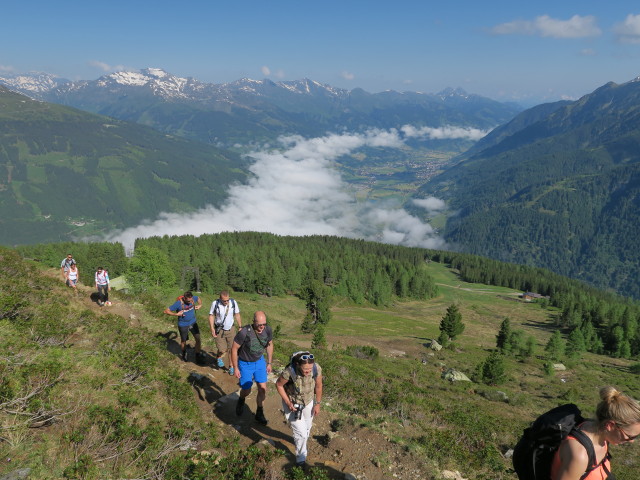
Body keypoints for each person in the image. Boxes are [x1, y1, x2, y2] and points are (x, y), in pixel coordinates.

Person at [551, 386, 640, 480]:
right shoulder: (580, 454)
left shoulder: (599, 432)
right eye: (630, 436)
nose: (631, 441)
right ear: (610, 425)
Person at [276, 351, 323, 467]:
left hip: (309, 402)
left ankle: (300, 442)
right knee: (301, 434)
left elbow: (318, 385)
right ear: (297, 365)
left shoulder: (316, 368)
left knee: (307, 427)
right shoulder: (290, 372)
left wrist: (317, 403)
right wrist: (288, 402)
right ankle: (301, 459)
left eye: (310, 369)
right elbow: (279, 385)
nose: (308, 372)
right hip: (293, 404)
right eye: (305, 369)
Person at [230, 311, 273, 425]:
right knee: (247, 390)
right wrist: (236, 367)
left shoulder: (267, 330)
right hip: (245, 363)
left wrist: (269, 362)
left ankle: (259, 413)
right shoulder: (244, 332)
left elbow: (270, 344)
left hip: (259, 362)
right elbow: (234, 349)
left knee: (262, 388)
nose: (262, 327)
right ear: (254, 322)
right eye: (259, 324)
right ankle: (241, 399)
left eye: (264, 324)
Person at [164, 291, 205, 364]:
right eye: (188, 301)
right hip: (183, 325)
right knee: (183, 341)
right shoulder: (178, 303)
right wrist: (176, 314)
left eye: (191, 300)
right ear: (184, 298)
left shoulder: (193, 298)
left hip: (193, 322)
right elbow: (166, 311)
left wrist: (200, 305)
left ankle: (197, 355)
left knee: (198, 339)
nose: (190, 302)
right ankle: (184, 354)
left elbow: (198, 298)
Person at [208, 290, 242, 375]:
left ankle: (231, 366)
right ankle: (219, 356)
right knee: (222, 349)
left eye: (227, 300)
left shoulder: (233, 303)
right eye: (224, 300)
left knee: (232, 349)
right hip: (220, 330)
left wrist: (240, 326)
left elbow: (237, 314)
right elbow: (211, 316)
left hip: (231, 329)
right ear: (220, 298)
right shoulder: (215, 304)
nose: (226, 302)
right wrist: (212, 328)